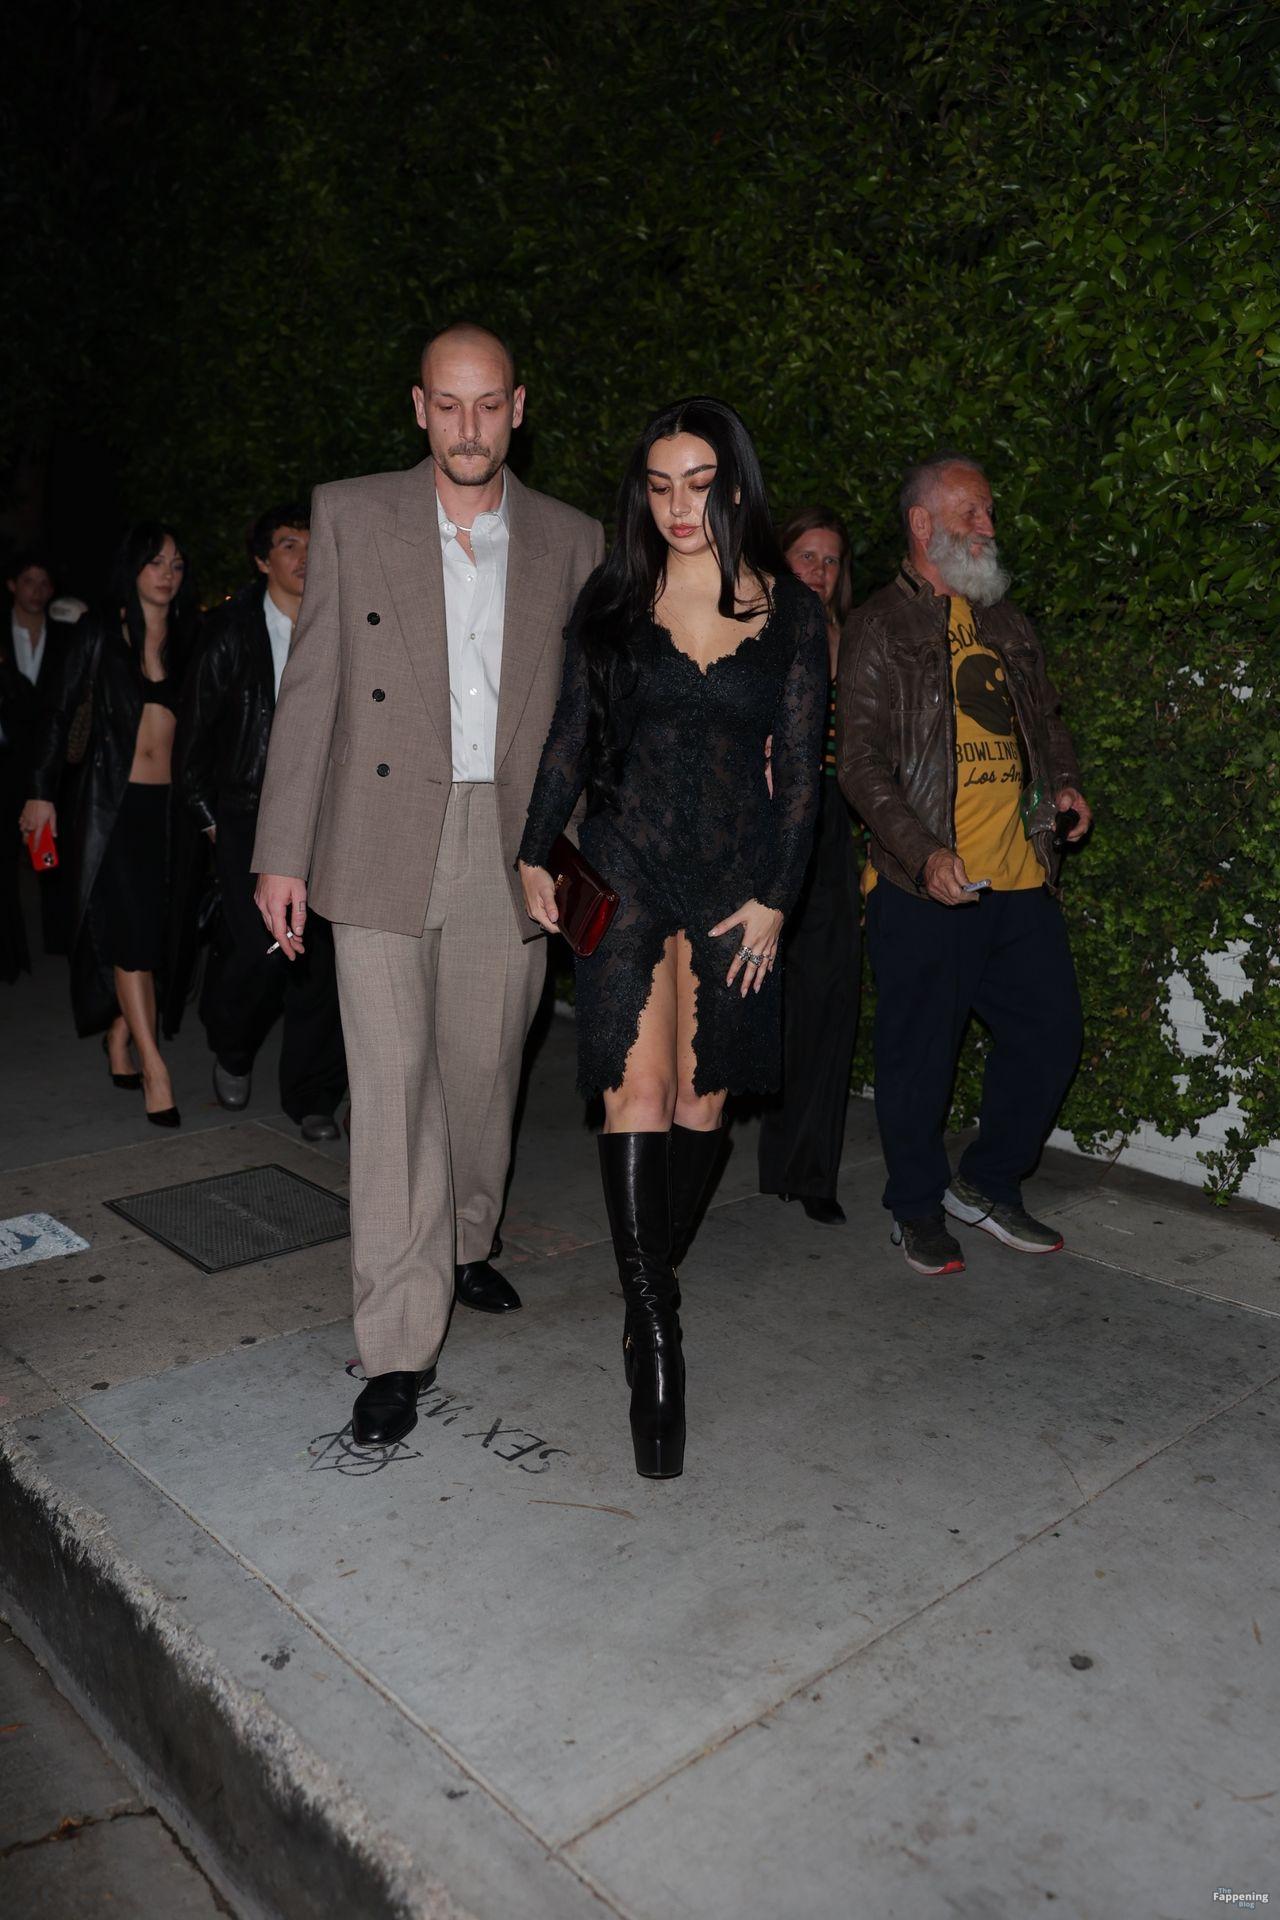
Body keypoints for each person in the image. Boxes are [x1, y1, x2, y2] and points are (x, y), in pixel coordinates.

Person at [252, 323, 603, 1448]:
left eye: (487, 404)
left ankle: (464, 1239)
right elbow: (312, 688)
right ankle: (399, 1338)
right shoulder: (351, 514)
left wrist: (576, 849)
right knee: (393, 1091)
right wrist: (281, 850)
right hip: (376, 833)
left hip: (511, 843)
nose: (467, 427)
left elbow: (588, 717)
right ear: (418, 409)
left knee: (483, 1073)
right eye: (447, 405)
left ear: (517, 409)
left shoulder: (573, 539)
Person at [519, 398, 827, 1479]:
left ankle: (650, 1272)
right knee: (636, 1092)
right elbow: (569, 737)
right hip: (626, 864)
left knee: (702, 1103)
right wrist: (533, 848)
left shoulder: (791, 614)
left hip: (737, 882)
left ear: (734, 485)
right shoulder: (612, 599)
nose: (677, 506)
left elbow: (802, 775)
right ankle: (655, 1337)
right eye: (657, 486)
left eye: (696, 483)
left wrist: (779, 897)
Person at [837, 453, 1091, 1277]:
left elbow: (1046, 721)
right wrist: (922, 853)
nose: (988, 526)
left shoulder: (1006, 621)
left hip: (1018, 876)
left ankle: (985, 1182)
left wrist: (1064, 784)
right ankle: (915, 1207)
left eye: (988, 512)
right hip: (926, 886)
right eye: (971, 513)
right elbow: (859, 764)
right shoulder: (881, 625)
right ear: (923, 525)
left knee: (1051, 1034)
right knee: (919, 1059)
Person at [174, 504, 347, 1141]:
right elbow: (192, 742)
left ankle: (313, 1096)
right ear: (261, 560)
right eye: (288, 544)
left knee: (321, 958)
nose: (303, 556)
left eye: (312, 543)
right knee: (262, 952)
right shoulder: (230, 633)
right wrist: (213, 825)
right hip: (247, 816)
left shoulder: (344, 620)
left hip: (328, 812)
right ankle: (234, 1044)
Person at [21, 525, 196, 1124]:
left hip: (168, 812)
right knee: (130, 939)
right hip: (111, 807)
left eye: (176, 564)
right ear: (132, 568)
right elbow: (55, 714)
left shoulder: (188, 639)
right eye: (155, 562)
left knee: (155, 937)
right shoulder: (99, 633)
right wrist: (40, 793)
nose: (167, 574)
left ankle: (119, 1033)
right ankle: (155, 1068)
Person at [757, 508, 862, 1225]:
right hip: (763, 824)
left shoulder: (853, 641)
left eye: (831, 560)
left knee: (829, 997)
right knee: (754, 997)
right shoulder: (750, 628)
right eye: (807, 556)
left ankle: (811, 1169)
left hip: (831, 826)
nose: (819, 571)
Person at [3, 551, 77, 963]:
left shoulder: (64, 636)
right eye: (28, 581)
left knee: (50, 854)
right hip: (6, 758)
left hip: (49, 763)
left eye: (44, 582)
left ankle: (59, 942)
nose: (37, 590)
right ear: (13, 585)